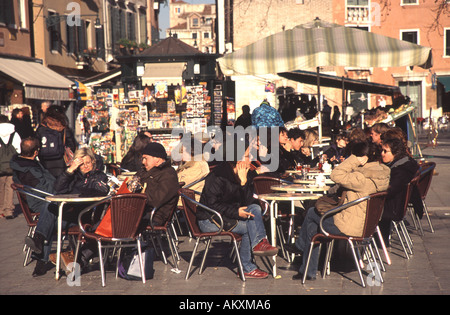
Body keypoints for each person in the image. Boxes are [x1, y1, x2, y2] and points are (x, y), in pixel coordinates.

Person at [289, 140, 390, 281]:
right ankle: (307, 270)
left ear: (362, 158)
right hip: (367, 225)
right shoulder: (381, 174)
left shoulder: (361, 178)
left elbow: (335, 175)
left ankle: (300, 249)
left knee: (312, 212)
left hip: (350, 226)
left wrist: (353, 160)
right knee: (313, 227)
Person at [24, 146, 110, 276]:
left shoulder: (99, 176)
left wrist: (79, 192)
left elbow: (100, 191)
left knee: (49, 221)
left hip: (84, 217)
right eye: (82, 164)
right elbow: (57, 188)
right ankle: (39, 241)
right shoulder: (73, 176)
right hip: (69, 215)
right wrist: (70, 170)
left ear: (93, 162)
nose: (85, 166)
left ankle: (39, 252)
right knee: (49, 208)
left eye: (88, 163)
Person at [198, 145, 278, 279]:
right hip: (210, 219)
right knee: (248, 228)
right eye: (247, 156)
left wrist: (243, 183)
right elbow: (212, 205)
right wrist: (236, 212)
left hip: (227, 215)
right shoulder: (218, 176)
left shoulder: (246, 173)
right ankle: (247, 267)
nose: (251, 159)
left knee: (255, 208)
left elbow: (250, 203)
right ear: (237, 160)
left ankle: (260, 243)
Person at [378, 137, 422, 247]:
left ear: (396, 153)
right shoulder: (403, 164)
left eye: (385, 151)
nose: (382, 154)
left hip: (391, 208)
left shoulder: (401, 170)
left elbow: (390, 190)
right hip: (395, 205)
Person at [136, 142, 179, 226]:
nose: (143, 162)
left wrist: (136, 195)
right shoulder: (144, 171)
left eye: (145, 158)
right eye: (142, 159)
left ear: (157, 159)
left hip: (153, 216)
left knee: (120, 219)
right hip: (140, 211)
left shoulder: (168, 174)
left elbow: (156, 199)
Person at [35, 105, 77, 177]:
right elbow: (72, 145)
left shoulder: (41, 128)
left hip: (44, 162)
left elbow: (36, 144)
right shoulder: (63, 128)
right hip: (61, 162)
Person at [176, 137, 210, 203]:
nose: (180, 154)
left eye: (182, 151)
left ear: (191, 151)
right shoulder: (190, 164)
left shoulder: (198, 164)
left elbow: (183, 182)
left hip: (187, 201)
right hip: (184, 198)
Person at [0, 115, 21, 219]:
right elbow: (19, 149)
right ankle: (9, 210)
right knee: (10, 188)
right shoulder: (14, 133)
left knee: (0, 187)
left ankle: (0, 210)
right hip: (11, 165)